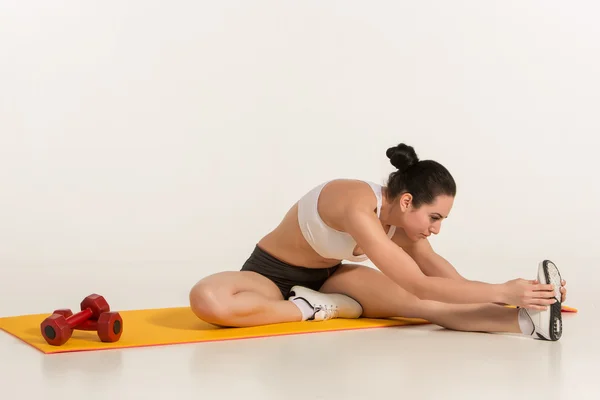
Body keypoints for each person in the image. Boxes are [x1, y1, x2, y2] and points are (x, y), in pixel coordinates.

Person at [189, 143, 567, 341]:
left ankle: (525, 325)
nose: (435, 229)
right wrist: (503, 289)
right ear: (406, 201)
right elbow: (417, 281)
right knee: (208, 299)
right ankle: (312, 308)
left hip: (332, 279)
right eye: (434, 217)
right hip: (270, 277)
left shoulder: (404, 226)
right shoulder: (356, 205)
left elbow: (441, 278)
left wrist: (525, 297)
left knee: (431, 308)